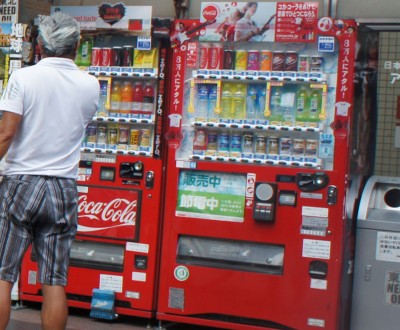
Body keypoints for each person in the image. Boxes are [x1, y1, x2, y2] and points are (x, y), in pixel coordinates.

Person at [0, 11, 99, 330]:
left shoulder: (23, 78)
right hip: (63, 188)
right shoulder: (90, 85)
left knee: (2, 274)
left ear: (40, 44)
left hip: (21, 184)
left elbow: (6, 134)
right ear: (77, 44)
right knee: (54, 281)